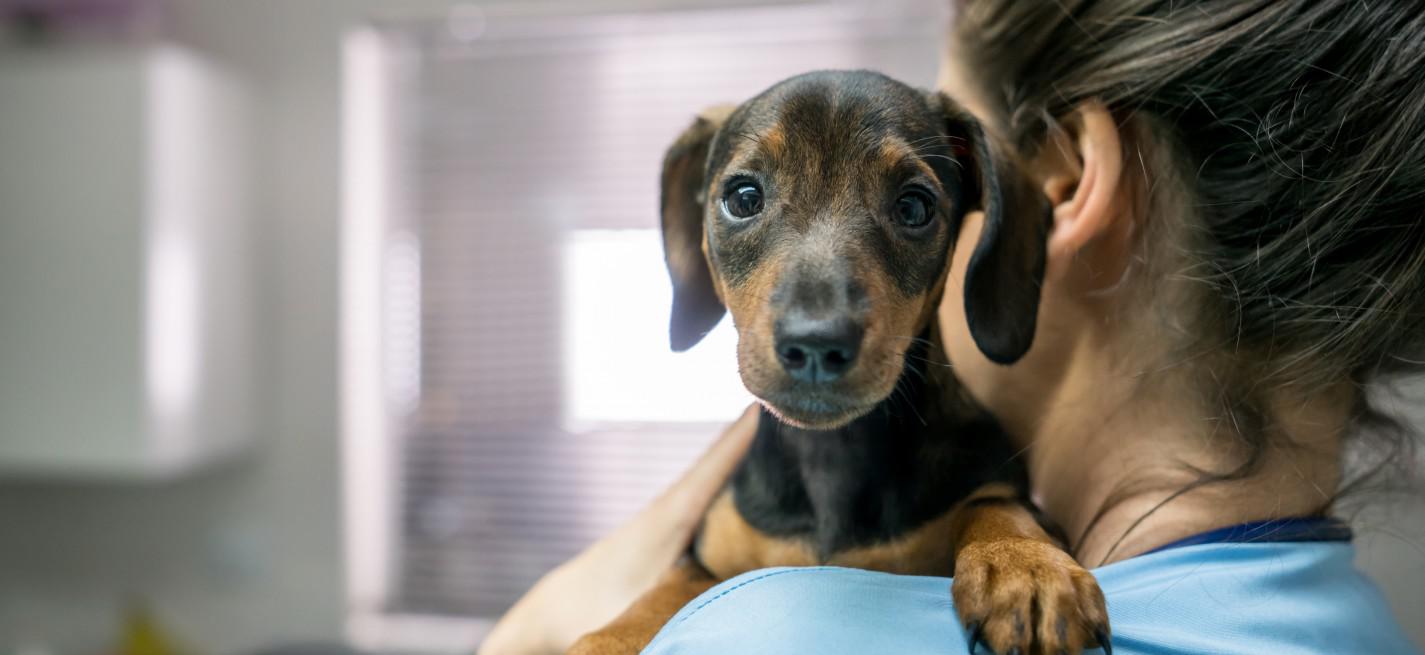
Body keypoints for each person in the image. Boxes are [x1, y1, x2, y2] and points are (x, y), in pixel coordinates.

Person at [480, 1, 1425, 653]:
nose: (817, 317)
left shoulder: (776, 633)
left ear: (1055, 184)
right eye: (744, 198)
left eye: (914, 206)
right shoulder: (1372, 628)